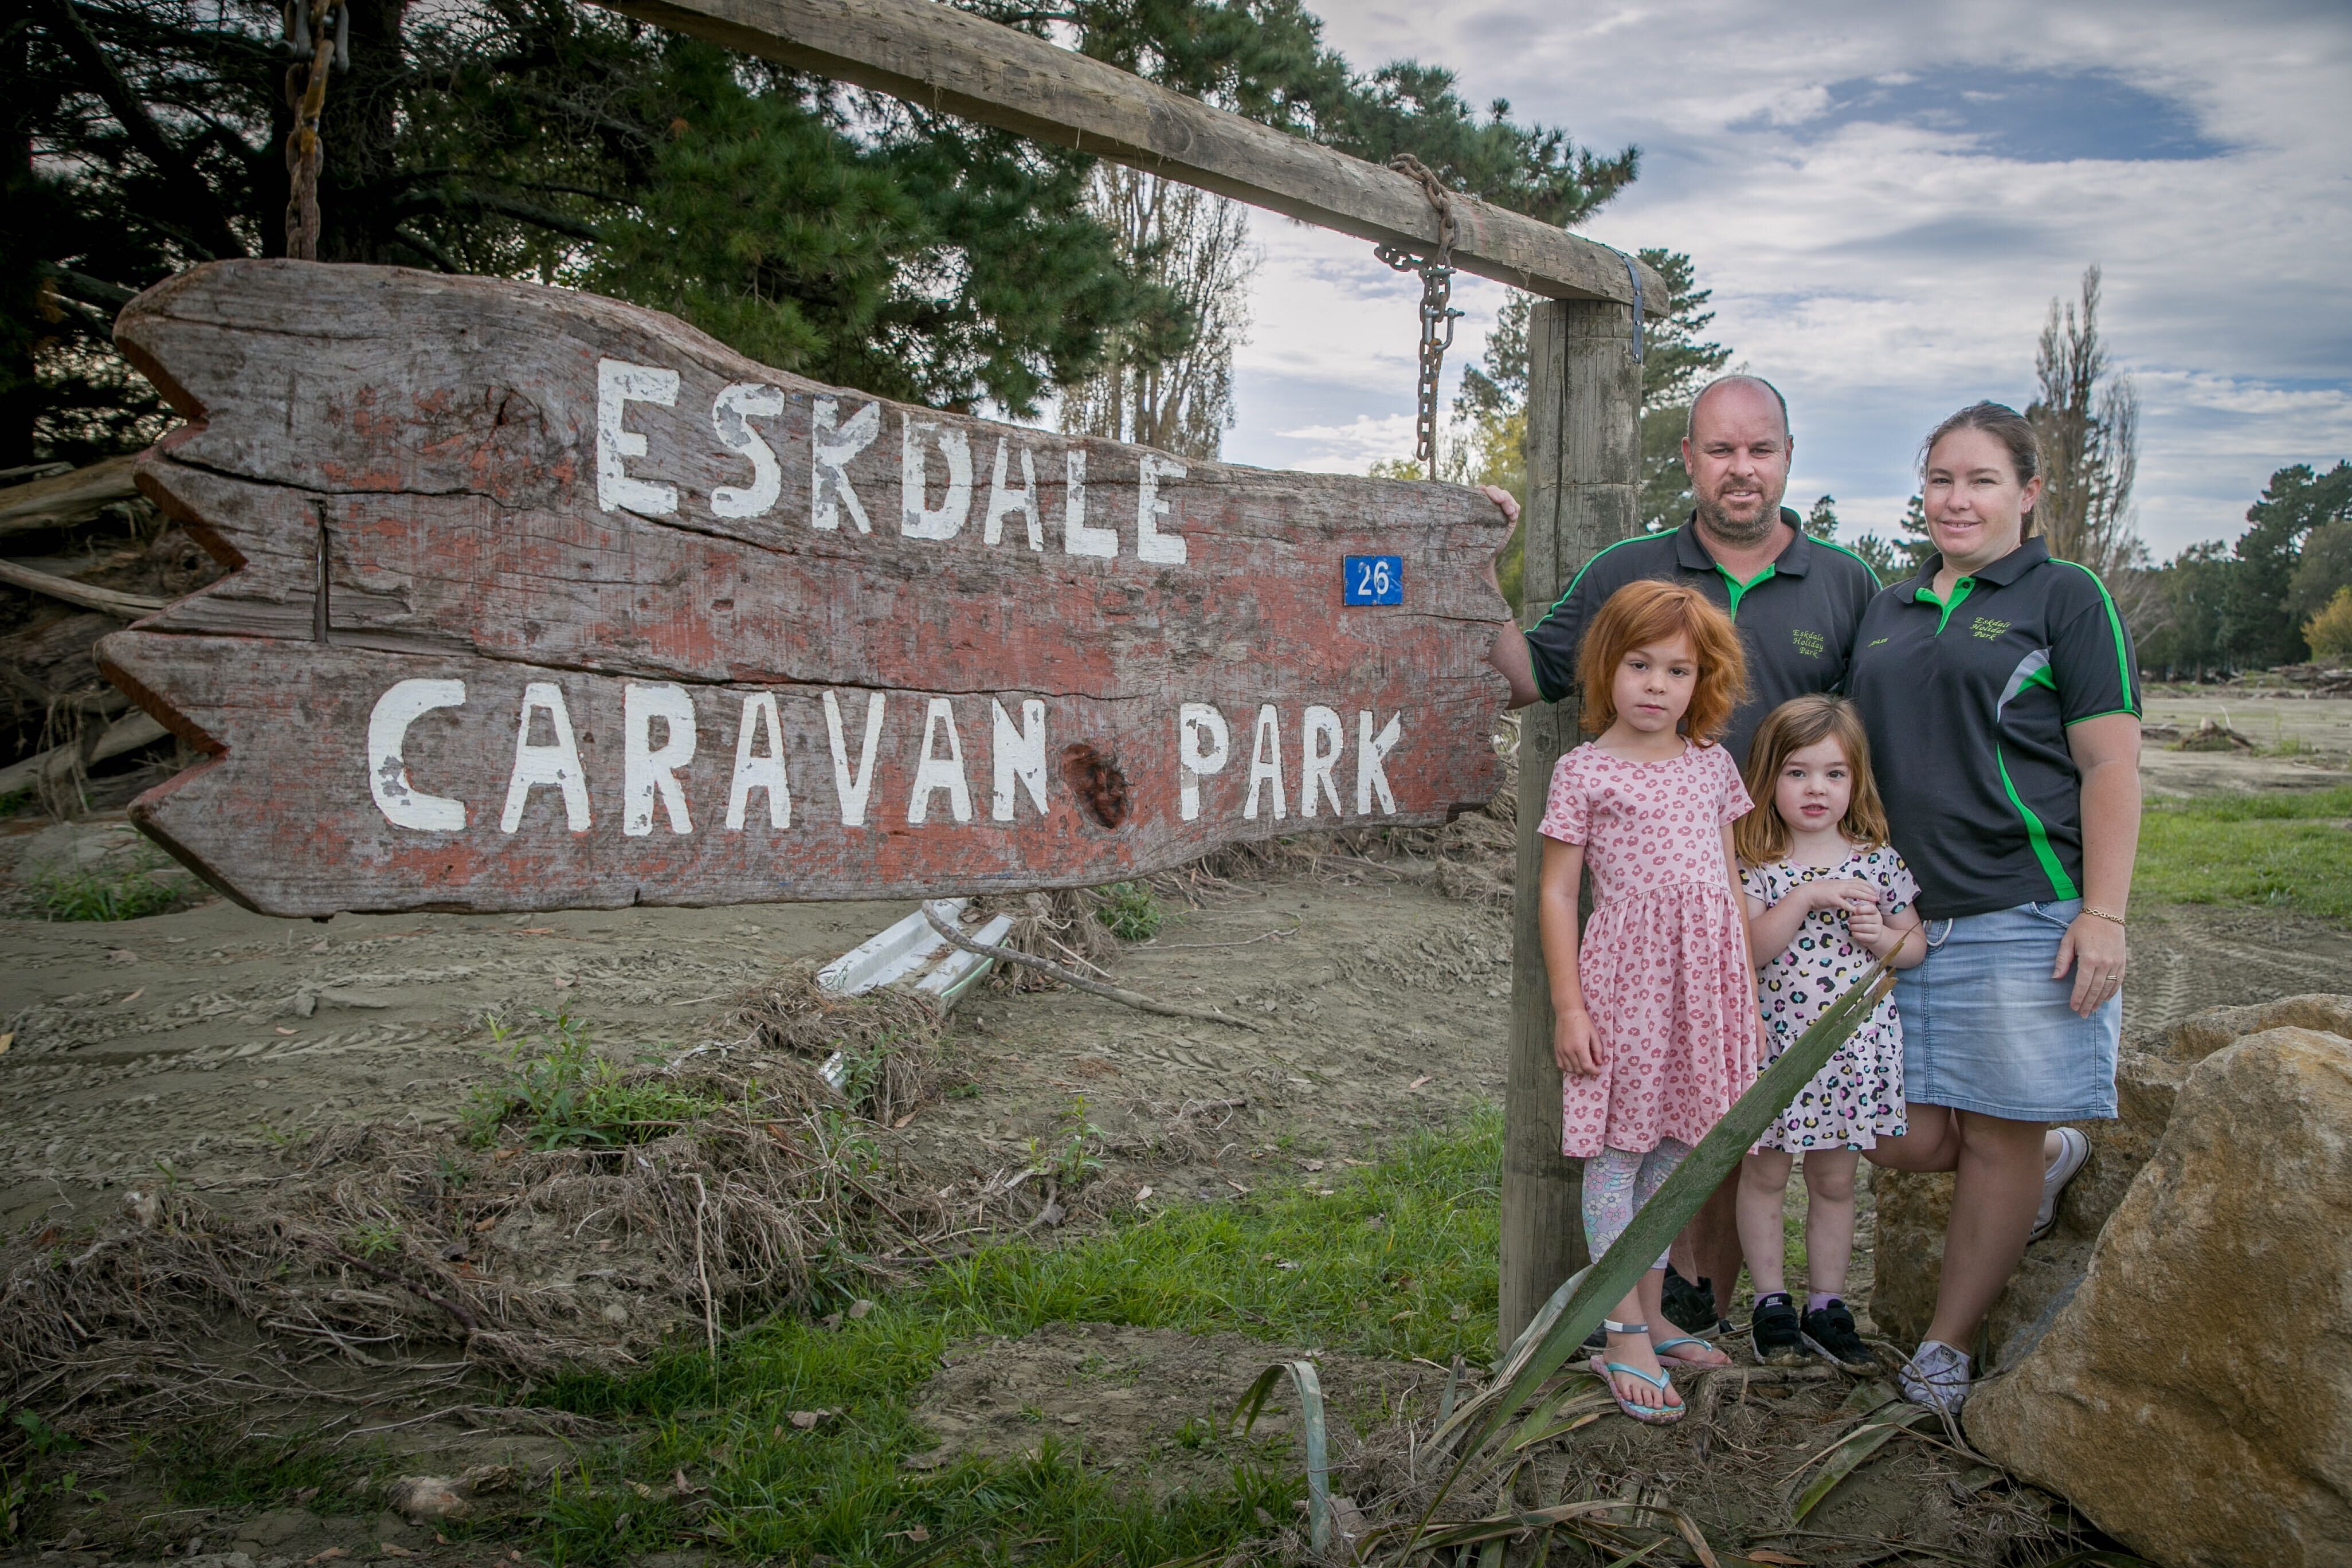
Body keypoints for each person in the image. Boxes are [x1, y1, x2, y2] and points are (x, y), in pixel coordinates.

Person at [1485, 373, 1883, 1335]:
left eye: (1758, 450)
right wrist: (1475, 564)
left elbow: (1867, 737)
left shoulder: (1845, 582)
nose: (1738, 469)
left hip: (1770, 886)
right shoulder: (1627, 569)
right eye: (1718, 450)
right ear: (1688, 460)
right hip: (1638, 907)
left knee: (1719, 1110)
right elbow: (1527, 677)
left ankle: (1698, 1295)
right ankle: (1649, 1310)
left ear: (1785, 455)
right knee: (1638, 1117)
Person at [1845, 402, 2136, 1412]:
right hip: (1900, 920)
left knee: (1994, 1132)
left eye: (1977, 480)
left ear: (2026, 492)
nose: (1954, 499)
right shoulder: (1884, 608)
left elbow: (2108, 765)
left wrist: (2101, 914)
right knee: (1884, 1131)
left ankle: (1943, 1350)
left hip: (2020, 908)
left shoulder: (2063, 596)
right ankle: (2055, 1158)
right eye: (1937, 479)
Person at [1535, 579, 1756, 1422]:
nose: (1657, 686)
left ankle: (1655, 1310)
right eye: (1639, 665)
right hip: (1625, 986)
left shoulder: (1713, 767)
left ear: (1704, 682)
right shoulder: (1585, 771)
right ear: (1607, 669)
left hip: (1705, 989)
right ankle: (1617, 1327)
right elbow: (1558, 895)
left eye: (1678, 670)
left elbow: (1729, 883)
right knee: (1618, 1156)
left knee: (1674, 1153)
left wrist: (1742, 995)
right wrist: (1569, 1008)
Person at [1732, 694, 1925, 1371]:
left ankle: (1828, 1304)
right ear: (1768, 778)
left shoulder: (1877, 859)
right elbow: (1750, 947)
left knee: (1836, 1182)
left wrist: (1885, 940)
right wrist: (1806, 896)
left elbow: (1915, 946)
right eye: (1797, 773)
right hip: (1773, 1050)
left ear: (1856, 781)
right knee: (1762, 1175)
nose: (1817, 789)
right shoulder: (1758, 859)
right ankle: (1770, 1301)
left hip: (1850, 1053)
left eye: (1834, 774)